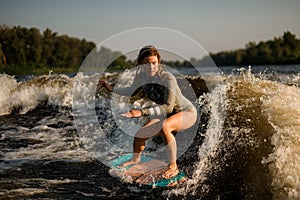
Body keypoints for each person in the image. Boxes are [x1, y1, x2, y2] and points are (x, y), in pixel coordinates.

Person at [97, 45, 197, 179]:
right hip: (166, 114)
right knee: (140, 135)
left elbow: (168, 106)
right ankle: (135, 160)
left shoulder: (167, 78)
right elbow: (131, 90)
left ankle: (173, 167)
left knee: (165, 126)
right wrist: (110, 89)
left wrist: (141, 112)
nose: (151, 67)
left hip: (186, 113)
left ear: (158, 62)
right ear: (141, 64)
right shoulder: (141, 78)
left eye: (154, 63)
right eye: (147, 63)